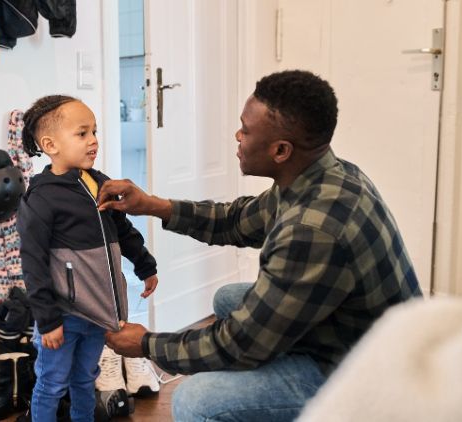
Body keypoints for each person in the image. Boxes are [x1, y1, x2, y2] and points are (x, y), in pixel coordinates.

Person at [98, 70, 423, 422]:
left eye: (245, 130)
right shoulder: (324, 176)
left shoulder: (312, 229)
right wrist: (151, 205)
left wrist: (146, 345)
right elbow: (236, 221)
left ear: (281, 150)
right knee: (228, 299)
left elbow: (239, 343)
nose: (237, 136)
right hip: (365, 337)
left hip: (375, 377)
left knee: (197, 400)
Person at [17, 95, 159, 422]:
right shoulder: (41, 196)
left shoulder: (99, 182)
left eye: (94, 131)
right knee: (51, 384)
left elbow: (122, 228)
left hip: (98, 312)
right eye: (82, 134)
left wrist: (145, 265)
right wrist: (48, 320)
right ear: (50, 144)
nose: (93, 140)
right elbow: (33, 262)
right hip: (62, 316)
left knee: (85, 379)